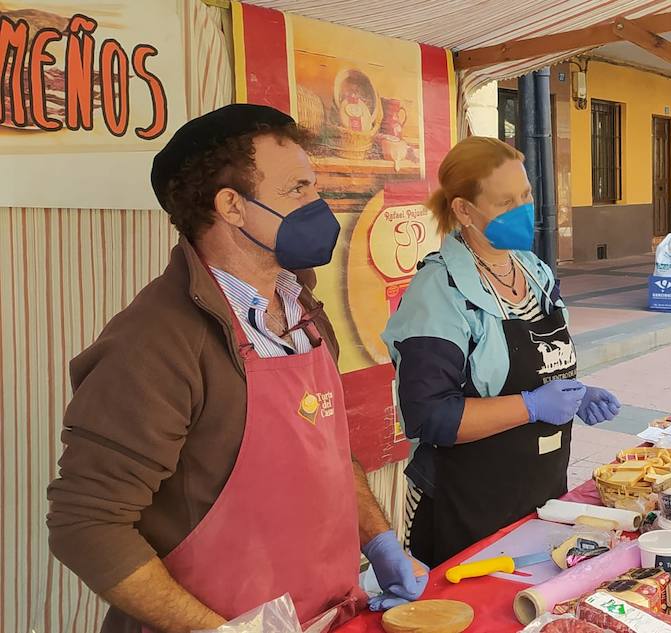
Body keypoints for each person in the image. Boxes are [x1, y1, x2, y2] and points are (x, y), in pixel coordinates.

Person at [46, 104, 428, 633]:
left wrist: (380, 540)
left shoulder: (304, 313)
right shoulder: (155, 341)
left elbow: (330, 456)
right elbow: (84, 523)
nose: (319, 205)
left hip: (326, 614)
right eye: (298, 189)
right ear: (232, 206)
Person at [382, 137, 623, 567]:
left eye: (526, 195)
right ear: (463, 210)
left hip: (541, 491)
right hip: (464, 503)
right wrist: (531, 406)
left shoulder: (534, 271)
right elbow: (430, 416)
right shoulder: (439, 291)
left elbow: (542, 361)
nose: (523, 209)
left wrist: (573, 393)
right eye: (505, 201)